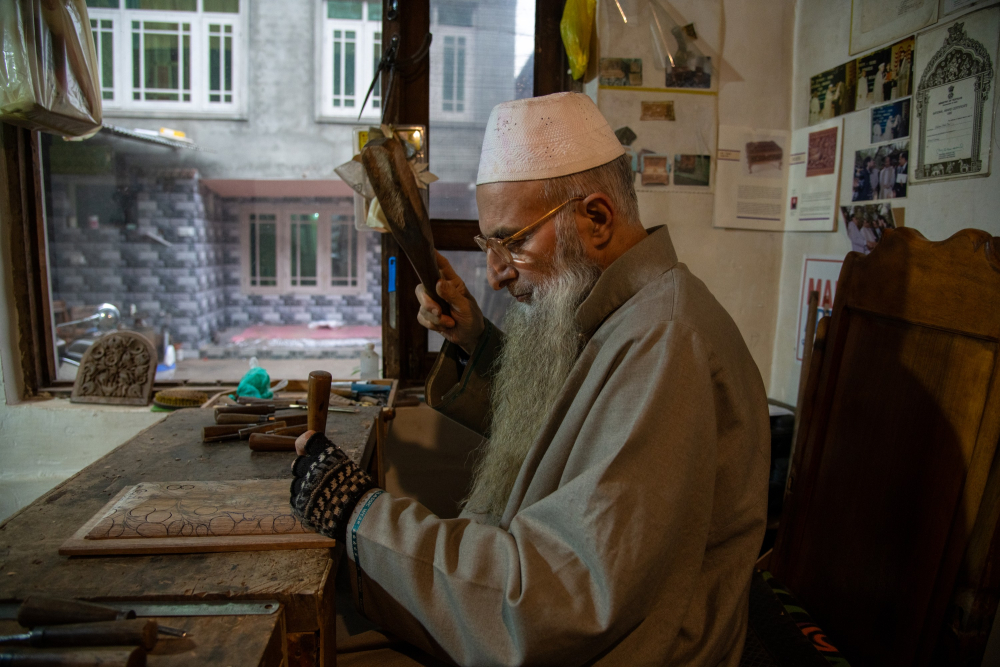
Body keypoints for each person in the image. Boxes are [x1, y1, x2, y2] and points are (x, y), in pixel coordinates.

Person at [289, 93, 769, 666]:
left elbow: (556, 602)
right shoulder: (622, 314)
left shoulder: (665, 341)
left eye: (514, 242)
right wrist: (477, 341)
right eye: (488, 245)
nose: (495, 274)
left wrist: (358, 513)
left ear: (595, 218)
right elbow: (563, 434)